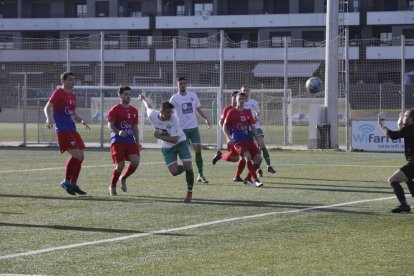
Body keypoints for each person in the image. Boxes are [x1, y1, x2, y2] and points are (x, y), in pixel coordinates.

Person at [138, 94, 195, 203]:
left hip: (181, 143)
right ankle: (188, 169)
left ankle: (189, 192)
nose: (170, 114)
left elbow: (175, 140)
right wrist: (143, 99)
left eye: (171, 112)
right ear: (161, 111)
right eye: (168, 112)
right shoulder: (152, 115)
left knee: (188, 165)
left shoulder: (173, 120)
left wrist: (159, 136)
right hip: (167, 147)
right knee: (174, 172)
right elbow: (148, 107)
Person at [44, 72, 89, 195]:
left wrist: (82, 120)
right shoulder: (58, 93)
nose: (73, 82)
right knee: (76, 155)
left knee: (81, 157)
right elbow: (47, 107)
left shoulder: (73, 96)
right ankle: (66, 182)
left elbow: (73, 113)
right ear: (62, 81)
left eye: (74, 79)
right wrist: (48, 118)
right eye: (70, 79)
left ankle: (73, 184)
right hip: (63, 129)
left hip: (72, 129)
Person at [169, 77, 211, 184]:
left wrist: (206, 119)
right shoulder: (174, 99)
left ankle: (201, 175)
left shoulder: (193, 95)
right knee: (186, 154)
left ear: (186, 84)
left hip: (193, 128)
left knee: (198, 149)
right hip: (182, 130)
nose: (182, 85)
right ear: (177, 85)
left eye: (184, 83)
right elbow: (169, 113)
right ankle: (189, 174)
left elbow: (198, 109)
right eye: (180, 83)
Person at [222, 92, 265, 187]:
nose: (241, 101)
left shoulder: (248, 112)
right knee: (247, 157)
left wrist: (258, 139)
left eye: (242, 99)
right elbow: (224, 126)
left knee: (259, 159)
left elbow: (253, 127)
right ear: (236, 100)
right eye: (239, 99)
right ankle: (256, 180)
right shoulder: (231, 112)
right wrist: (228, 138)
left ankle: (247, 178)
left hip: (249, 139)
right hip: (238, 141)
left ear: (245, 100)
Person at [107, 86, 141, 196]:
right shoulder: (115, 109)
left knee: (135, 161)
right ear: (120, 95)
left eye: (129, 94)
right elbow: (110, 125)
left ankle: (123, 177)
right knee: (120, 165)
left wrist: (137, 140)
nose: (128, 96)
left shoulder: (134, 110)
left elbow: (135, 127)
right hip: (117, 140)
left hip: (130, 141)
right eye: (126, 94)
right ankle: (112, 186)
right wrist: (119, 132)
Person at [378, 109, 414, 213]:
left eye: (406, 116)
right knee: (407, 178)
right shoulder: (409, 128)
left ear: (412, 119)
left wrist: (382, 126)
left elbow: (393, 136)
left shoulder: (409, 129)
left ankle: (404, 205)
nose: (404, 117)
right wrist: (401, 124)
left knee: (392, 179)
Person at [240, 85, 276, 177]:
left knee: (262, 145)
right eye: (244, 90)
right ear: (241, 91)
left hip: (256, 127)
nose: (246, 92)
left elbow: (258, 112)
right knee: (253, 150)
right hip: (246, 130)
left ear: (250, 91)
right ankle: (259, 169)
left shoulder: (254, 102)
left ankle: (269, 165)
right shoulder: (240, 103)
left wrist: (257, 117)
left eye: (247, 90)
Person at [212, 91, 246, 182]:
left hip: (241, 138)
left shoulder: (241, 109)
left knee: (239, 157)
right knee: (237, 158)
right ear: (231, 98)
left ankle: (237, 175)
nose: (235, 99)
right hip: (232, 138)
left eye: (237, 97)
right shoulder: (227, 109)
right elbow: (221, 122)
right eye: (234, 97)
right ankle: (221, 156)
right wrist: (227, 136)